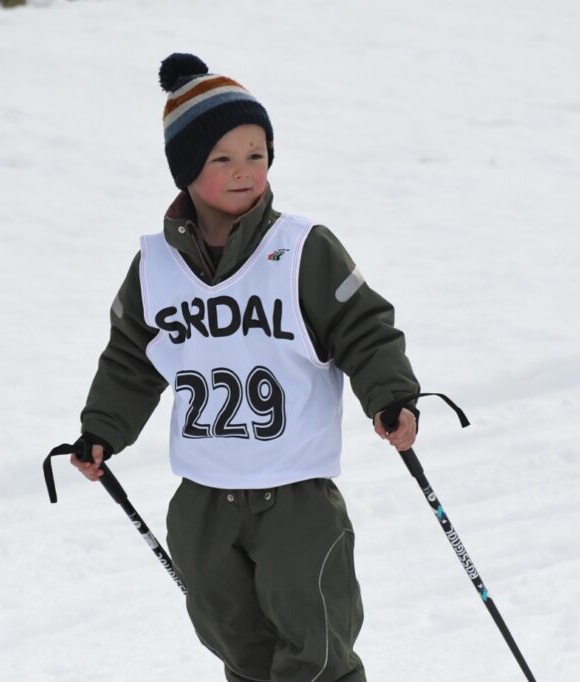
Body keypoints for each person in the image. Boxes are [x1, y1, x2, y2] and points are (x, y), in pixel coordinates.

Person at [69, 53, 420, 682]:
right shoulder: (156, 267)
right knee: (231, 635)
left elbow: (363, 328)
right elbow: (131, 357)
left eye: (256, 155)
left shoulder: (302, 248)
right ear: (186, 171)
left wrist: (389, 396)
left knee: (314, 643)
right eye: (222, 159)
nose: (243, 172)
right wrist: (103, 429)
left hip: (295, 494)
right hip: (204, 496)